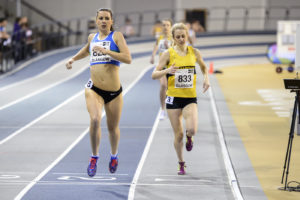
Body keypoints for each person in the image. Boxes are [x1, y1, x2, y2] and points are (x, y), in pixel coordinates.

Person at [65, 8, 131, 177]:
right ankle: (94, 157)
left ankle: (114, 156)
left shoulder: (117, 36)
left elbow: (128, 58)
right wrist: (73, 58)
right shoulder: (92, 38)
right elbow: (86, 50)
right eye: (100, 18)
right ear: (96, 21)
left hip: (114, 92)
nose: (103, 21)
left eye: (106, 18)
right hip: (94, 89)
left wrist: (108, 52)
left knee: (112, 128)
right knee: (95, 119)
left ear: (111, 21)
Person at [151, 23, 210, 175]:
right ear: (174, 38)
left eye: (183, 36)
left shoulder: (194, 52)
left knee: (191, 130)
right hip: (173, 99)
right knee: (178, 134)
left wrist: (206, 78)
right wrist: (167, 70)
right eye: (178, 37)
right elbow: (154, 74)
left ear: (187, 36)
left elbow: (203, 67)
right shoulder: (168, 54)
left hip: (189, 98)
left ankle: (190, 138)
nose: (181, 39)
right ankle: (181, 163)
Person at [150, 19, 172, 120]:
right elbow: (156, 46)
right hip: (162, 66)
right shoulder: (160, 37)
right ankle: (163, 110)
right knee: (163, 85)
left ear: (171, 26)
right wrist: (153, 56)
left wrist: (169, 48)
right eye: (164, 25)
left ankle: (172, 108)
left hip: (172, 66)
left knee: (171, 89)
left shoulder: (174, 37)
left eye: (167, 25)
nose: (165, 27)